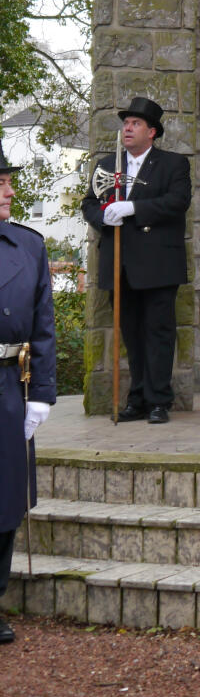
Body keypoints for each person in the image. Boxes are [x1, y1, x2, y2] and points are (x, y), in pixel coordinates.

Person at [81, 96, 191, 424]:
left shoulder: (173, 164)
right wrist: (103, 218)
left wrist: (134, 208)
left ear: (152, 132)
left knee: (158, 332)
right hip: (120, 262)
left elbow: (177, 202)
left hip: (157, 263)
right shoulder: (107, 164)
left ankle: (159, 400)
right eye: (125, 124)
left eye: (135, 124)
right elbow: (89, 203)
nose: (127, 129)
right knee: (131, 333)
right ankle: (138, 398)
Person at [0, 140, 57, 644]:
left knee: (6, 501)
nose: (10, 190)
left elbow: (43, 327)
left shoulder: (29, 246)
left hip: (6, 386)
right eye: (0, 182)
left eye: (7, 180)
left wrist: (40, 394)